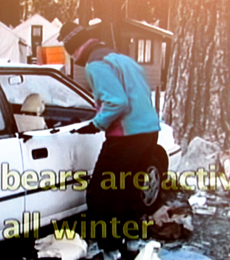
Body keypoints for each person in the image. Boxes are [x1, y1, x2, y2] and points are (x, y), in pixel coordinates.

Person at [57, 22, 161, 255]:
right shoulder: (123, 59)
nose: (74, 58)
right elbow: (140, 92)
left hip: (126, 137)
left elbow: (117, 102)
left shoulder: (96, 64)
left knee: (101, 194)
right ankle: (133, 243)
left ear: (76, 48)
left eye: (71, 52)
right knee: (128, 189)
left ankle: (110, 250)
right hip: (149, 132)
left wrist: (96, 124)